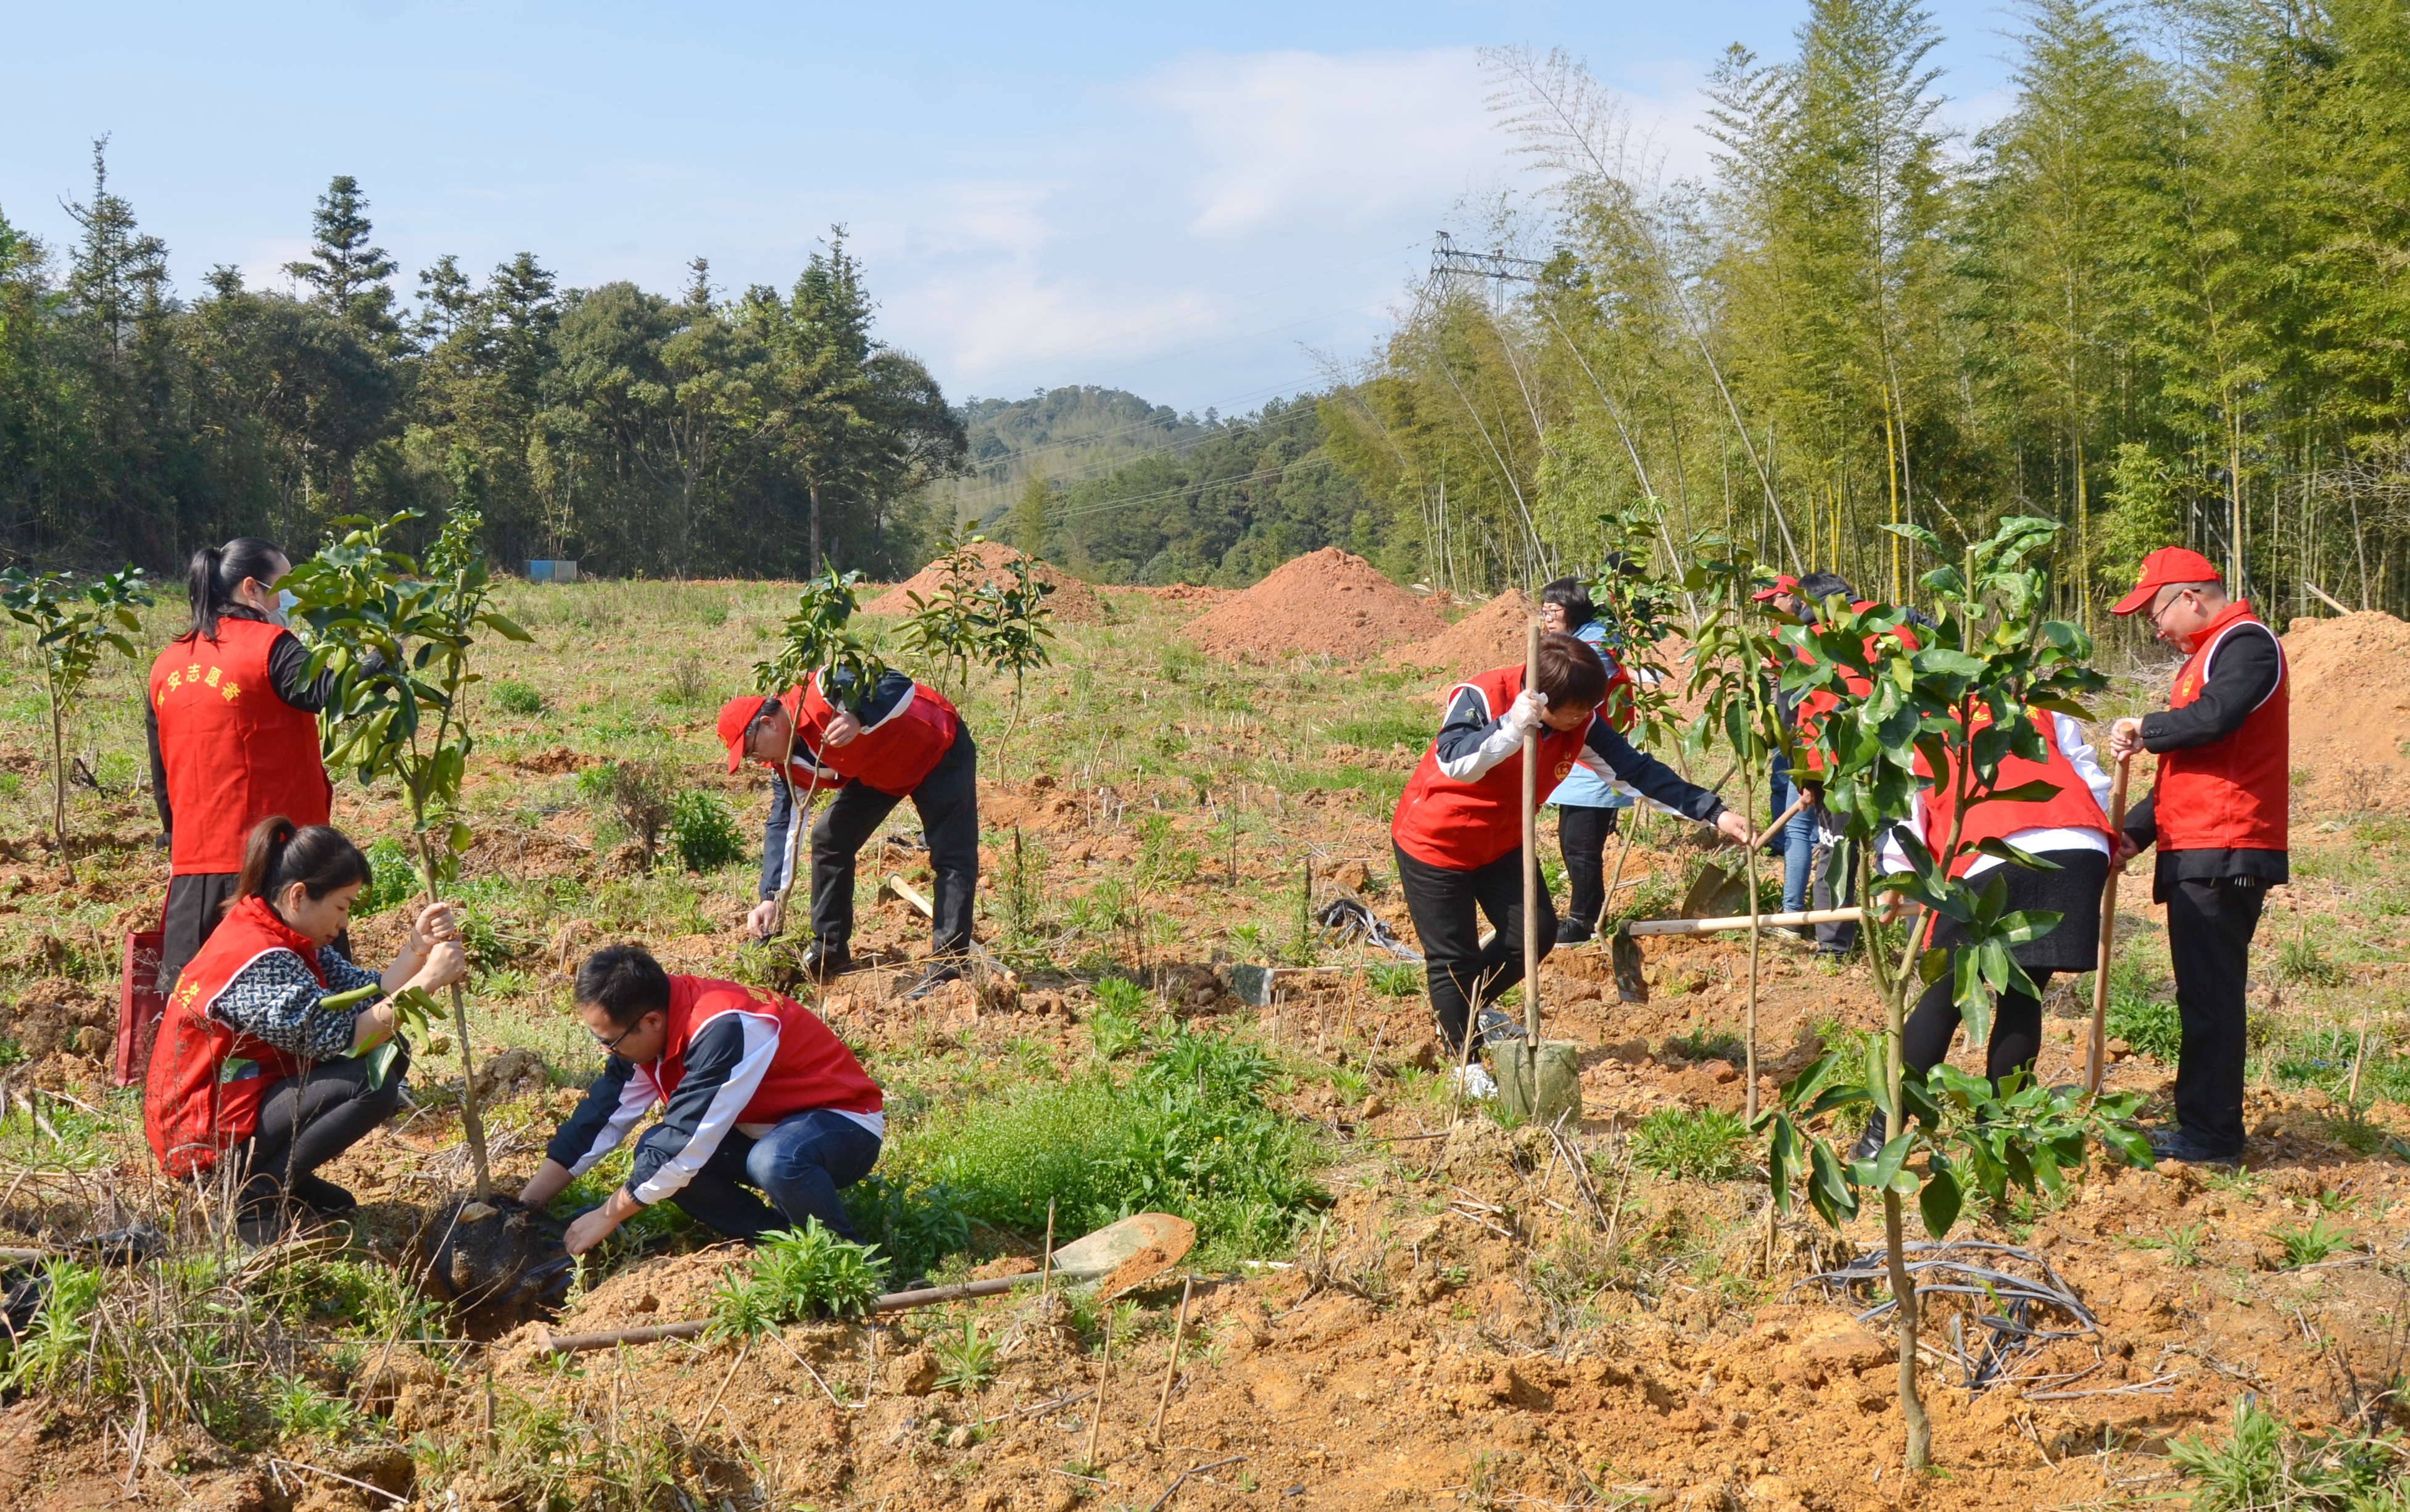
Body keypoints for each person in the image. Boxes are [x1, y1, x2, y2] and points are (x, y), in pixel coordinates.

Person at [1391, 632, 1752, 1091]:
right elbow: (1456, 762)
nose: (1585, 719)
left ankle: (1461, 1004)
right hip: (1436, 841)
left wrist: (1713, 812)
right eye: (1576, 711)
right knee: (1453, 955)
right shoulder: (1481, 696)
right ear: (1543, 700)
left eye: (1589, 710)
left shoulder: (1580, 722)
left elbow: (1635, 771)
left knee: (1535, 934)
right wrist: (1509, 728)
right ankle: (1465, 1061)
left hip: (1502, 842)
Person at [144, 819, 465, 1220]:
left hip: (234, 1105)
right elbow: (343, 1036)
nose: (344, 922)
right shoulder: (262, 958)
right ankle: (253, 1198)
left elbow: (367, 992)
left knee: (388, 1053)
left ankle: (270, 1177)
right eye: (342, 906)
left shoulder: (281, 931)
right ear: (299, 895)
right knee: (373, 1080)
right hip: (202, 1138)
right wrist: (430, 980)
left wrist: (418, 949)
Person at [1855, 708, 2115, 1155]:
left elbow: (1911, 807)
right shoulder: (2037, 704)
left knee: (1946, 996)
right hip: (2078, 842)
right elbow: (2091, 777)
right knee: (2023, 993)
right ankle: (1998, 1136)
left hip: (1993, 844)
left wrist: (1894, 878)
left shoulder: (1922, 719)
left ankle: (1880, 1137)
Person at [518, 943, 885, 1255]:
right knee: (652, 1150)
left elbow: (686, 1141)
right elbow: (597, 1122)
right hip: (764, 1128)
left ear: (651, 1022)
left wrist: (608, 1214)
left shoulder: (723, 1027)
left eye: (610, 1041)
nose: (606, 1050)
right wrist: (524, 1209)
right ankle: (781, 1243)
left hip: (844, 1127)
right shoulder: (646, 1036)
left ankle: (843, 1254)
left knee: (774, 1161)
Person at [2105, 548, 2288, 1167]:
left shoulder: (2246, 644)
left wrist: (2145, 727)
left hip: (2226, 844)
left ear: (2190, 597)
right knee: (2201, 993)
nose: (2153, 627)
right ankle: (2202, 1127)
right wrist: (2134, 833)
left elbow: (2217, 719)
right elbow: (2183, 775)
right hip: (2198, 843)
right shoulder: (2202, 659)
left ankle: (2211, 1138)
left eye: (2154, 611)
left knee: (2210, 996)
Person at [148, 539, 346, 995]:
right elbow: (333, 693)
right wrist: (384, 656)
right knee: (303, 1009)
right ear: (252, 589)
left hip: (195, 871)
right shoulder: (271, 647)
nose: (292, 601)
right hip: (278, 866)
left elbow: (162, 776)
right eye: (287, 586)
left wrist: (176, 838)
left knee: (197, 1009)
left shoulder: (167, 664)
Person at [716, 667, 977, 1000]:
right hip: (880, 772)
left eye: (751, 750)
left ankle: (949, 965)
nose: (755, 760)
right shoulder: (783, 764)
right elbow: (784, 824)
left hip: (936, 748)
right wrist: (770, 898)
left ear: (769, 723)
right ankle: (830, 951)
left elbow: (896, 683)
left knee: (952, 854)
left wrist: (857, 716)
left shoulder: (820, 689)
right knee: (830, 838)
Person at [1754, 571, 1916, 954]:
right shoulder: (1891, 621)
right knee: (1902, 850)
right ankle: (1920, 943)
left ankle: (1833, 946)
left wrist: (1803, 775)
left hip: (1832, 764)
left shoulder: (1807, 640)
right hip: (1897, 758)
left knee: (1836, 847)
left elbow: (1790, 712)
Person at [1537, 577, 1637, 944]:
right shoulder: (1584, 639)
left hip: (1594, 756)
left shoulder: (1593, 645)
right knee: (1573, 839)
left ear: (1574, 611)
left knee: (1580, 844)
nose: (1546, 619)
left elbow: (1575, 692)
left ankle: (1582, 922)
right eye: (1543, 611)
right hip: (1578, 757)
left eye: (1553, 612)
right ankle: (1584, 914)